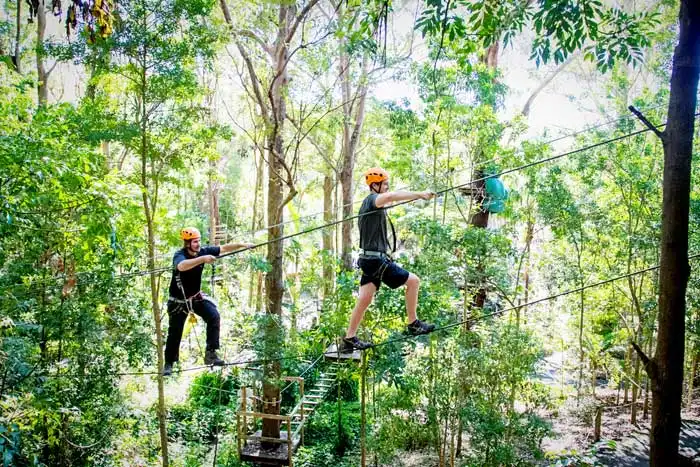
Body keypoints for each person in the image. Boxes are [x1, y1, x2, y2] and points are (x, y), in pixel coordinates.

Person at [342, 167, 437, 351]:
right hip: (375, 261)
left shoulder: (369, 205)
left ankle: (349, 338)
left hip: (369, 260)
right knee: (414, 281)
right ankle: (413, 323)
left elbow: (391, 198)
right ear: (375, 185)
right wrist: (420, 194)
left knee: (364, 299)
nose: (387, 187)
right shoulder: (372, 200)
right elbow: (392, 197)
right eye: (384, 184)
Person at [163, 227, 254, 376]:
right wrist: (203, 259)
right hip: (178, 302)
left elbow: (223, 248)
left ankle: (210, 353)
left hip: (195, 297)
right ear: (187, 243)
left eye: (198, 241)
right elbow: (181, 266)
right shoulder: (180, 255)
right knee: (175, 332)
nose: (198, 244)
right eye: (194, 242)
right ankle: (169, 363)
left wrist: (243, 245)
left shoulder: (203, 251)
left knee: (213, 315)